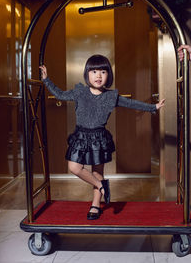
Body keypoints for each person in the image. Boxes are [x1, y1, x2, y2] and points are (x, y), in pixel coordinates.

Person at [39, 54, 165, 220]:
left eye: (103, 72)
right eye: (94, 71)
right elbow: (61, 95)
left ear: (108, 75)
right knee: (75, 167)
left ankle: (95, 205)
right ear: (87, 74)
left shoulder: (110, 97)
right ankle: (101, 185)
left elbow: (132, 104)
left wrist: (153, 107)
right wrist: (46, 80)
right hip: (81, 136)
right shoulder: (80, 92)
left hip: (99, 137)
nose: (98, 76)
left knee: (97, 171)